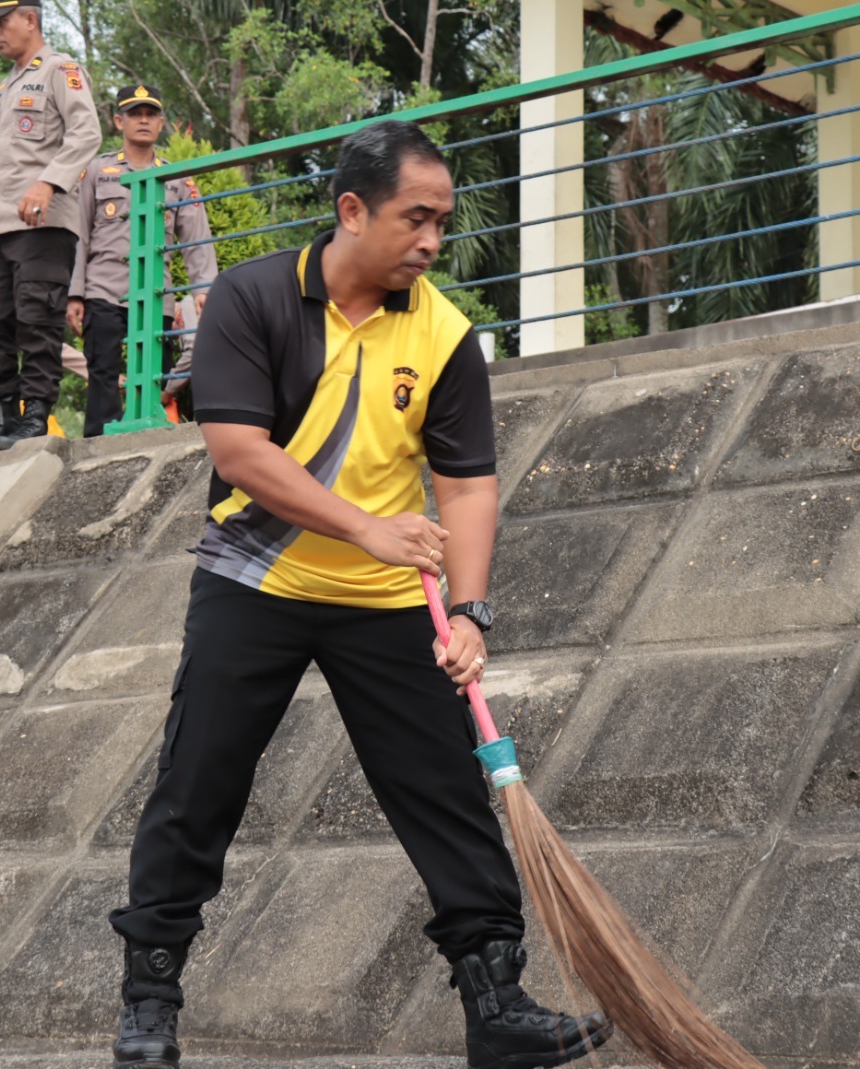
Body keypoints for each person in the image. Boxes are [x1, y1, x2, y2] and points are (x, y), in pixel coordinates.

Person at [106, 120, 611, 1069]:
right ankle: (150, 1004)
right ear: (351, 210)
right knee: (197, 784)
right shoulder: (253, 298)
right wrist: (372, 527)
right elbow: (237, 452)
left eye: (441, 222)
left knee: (448, 793)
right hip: (255, 579)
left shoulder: (444, 332)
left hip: (386, 601)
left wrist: (468, 613)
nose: (431, 240)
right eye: (414, 219)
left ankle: (496, 1007)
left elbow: (465, 485)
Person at [0, 0, 101, 456]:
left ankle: (35, 417)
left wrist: (48, 182)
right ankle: (2, 418)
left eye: (1, 22)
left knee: (37, 319)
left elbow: (87, 133)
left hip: (45, 222)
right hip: (1, 227)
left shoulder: (60, 69)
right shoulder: (4, 88)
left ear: (30, 20)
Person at [66, 85, 216, 437]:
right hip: (103, 289)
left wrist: (203, 287)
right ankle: (98, 441)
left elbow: (197, 236)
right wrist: (75, 294)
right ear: (119, 121)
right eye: (135, 114)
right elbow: (79, 235)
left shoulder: (177, 176)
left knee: (155, 372)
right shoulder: (98, 171)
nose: (143, 120)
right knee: (102, 368)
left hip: (154, 292)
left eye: (150, 114)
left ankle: (147, 438)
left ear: (161, 123)